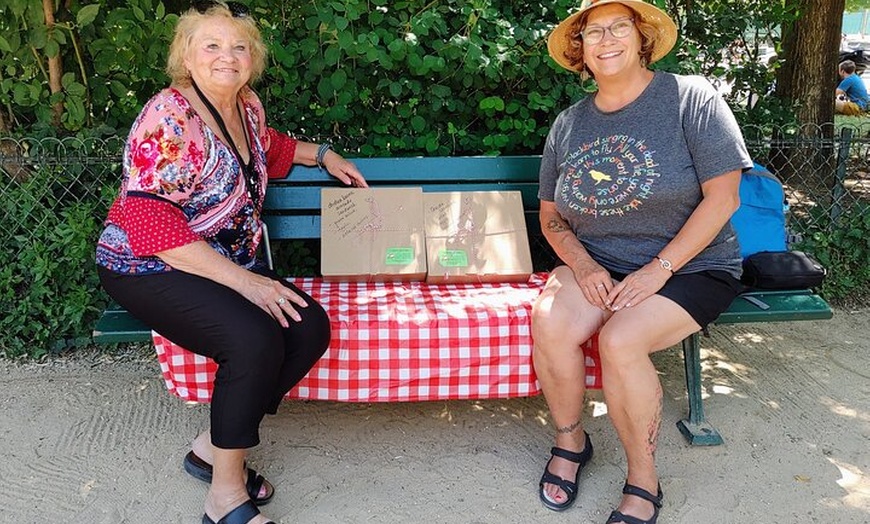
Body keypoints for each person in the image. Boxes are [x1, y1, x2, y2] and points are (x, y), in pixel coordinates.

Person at [94, 2, 367, 523]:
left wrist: (325, 154)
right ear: (187, 56)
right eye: (212, 45)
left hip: (217, 260)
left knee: (307, 327)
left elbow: (270, 148)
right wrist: (249, 284)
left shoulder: (245, 106)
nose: (227, 57)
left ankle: (209, 447)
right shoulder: (167, 119)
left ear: (253, 58)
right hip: (147, 264)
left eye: (239, 46)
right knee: (254, 339)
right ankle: (224, 496)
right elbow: (153, 229)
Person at [533, 1, 752, 523]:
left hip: (693, 267)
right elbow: (551, 218)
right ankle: (571, 442)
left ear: (642, 37)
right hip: (600, 264)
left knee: (619, 341)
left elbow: (723, 198)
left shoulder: (691, 98)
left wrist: (659, 269)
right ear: (579, 49)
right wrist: (584, 267)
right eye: (593, 32)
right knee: (551, 322)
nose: (606, 39)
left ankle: (642, 479)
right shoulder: (568, 124)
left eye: (619, 27)